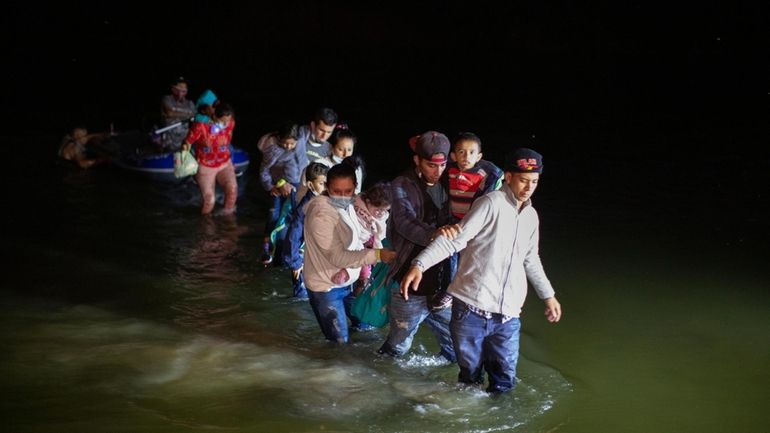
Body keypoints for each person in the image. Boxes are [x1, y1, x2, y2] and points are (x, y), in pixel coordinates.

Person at [400, 148, 562, 393]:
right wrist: (419, 264)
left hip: (507, 316)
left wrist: (548, 296)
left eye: (535, 182)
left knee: (504, 381)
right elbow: (456, 239)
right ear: (508, 177)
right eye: (523, 180)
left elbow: (530, 259)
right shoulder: (490, 203)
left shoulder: (531, 216)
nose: (529, 187)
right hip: (471, 311)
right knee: (470, 379)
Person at [377, 131, 457, 362]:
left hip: (444, 283)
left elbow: (490, 172)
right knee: (398, 347)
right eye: (431, 165)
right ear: (417, 160)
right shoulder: (402, 184)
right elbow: (404, 222)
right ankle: (379, 380)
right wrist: (435, 234)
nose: (438, 171)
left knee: (455, 346)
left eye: (442, 165)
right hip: (408, 283)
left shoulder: (451, 181)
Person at [303, 158, 396, 343]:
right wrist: (378, 255)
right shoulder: (321, 215)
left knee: (365, 328)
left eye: (348, 191)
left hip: (347, 282)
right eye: (337, 191)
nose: (343, 196)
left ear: (355, 188)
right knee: (339, 343)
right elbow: (337, 257)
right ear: (328, 187)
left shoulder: (351, 204)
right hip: (325, 286)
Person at [429, 132, 504, 311]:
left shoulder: (485, 175)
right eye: (461, 152)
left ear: (479, 156)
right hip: (453, 221)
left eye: (471, 153)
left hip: (475, 225)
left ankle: (472, 293)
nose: (466, 157)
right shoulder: (448, 171)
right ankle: (448, 291)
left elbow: (491, 197)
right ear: (453, 155)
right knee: (450, 256)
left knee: (471, 258)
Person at [331, 182, 392, 296]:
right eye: (378, 209)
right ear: (368, 201)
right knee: (363, 274)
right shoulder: (353, 207)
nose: (381, 213)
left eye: (385, 210)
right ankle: (353, 292)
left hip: (368, 245)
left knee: (367, 275)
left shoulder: (381, 219)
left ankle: (355, 297)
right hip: (351, 243)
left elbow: (380, 237)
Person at [281, 162, 328, 298]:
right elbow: (293, 234)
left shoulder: (322, 201)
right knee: (303, 297)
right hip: (302, 259)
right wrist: (295, 262)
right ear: (310, 185)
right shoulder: (306, 207)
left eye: (327, 183)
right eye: (321, 184)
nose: (326, 187)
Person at [257, 122, 303, 264]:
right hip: (278, 186)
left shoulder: (301, 143)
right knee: (273, 216)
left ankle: (293, 249)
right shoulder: (273, 150)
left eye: (292, 144)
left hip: (296, 185)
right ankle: (266, 249)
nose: (288, 147)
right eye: (285, 143)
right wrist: (271, 186)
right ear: (279, 138)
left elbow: (303, 163)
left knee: (294, 217)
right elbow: (264, 170)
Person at [182, 103, 237, 215]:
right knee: (209, 200)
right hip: (205, 165)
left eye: (228, 120)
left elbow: (228, 136)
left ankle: (228, 219)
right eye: (223, 121)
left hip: (225, 162)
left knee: (232, 190)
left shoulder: (231, 123)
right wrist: (184, 152)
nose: (226, 124)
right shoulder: (200, 126)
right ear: (215, 116)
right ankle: (205, 226)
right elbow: (187, 142)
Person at [296, 126, 364, 203]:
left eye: (349, 150)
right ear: (331, 147)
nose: (345, 154)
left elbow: (356, 194)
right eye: (340, 149)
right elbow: (302, 192)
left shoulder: (356, 168)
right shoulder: (319, 164)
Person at [295, 107, 337, 173]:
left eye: (329, 132)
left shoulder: (330, 149)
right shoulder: (297, 138)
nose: (324, 136)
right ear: (313, 125)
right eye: (321, 130)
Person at [159, 77, 196, 151]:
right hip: (169, 141)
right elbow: (169, 113)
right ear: (173, 88)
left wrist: (177, 114)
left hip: (184, 141)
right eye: (179, 86)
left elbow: (194, 115)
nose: (182, 89)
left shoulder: (190, 103)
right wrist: (188, 114)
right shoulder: (167, 99)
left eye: (184, 87)